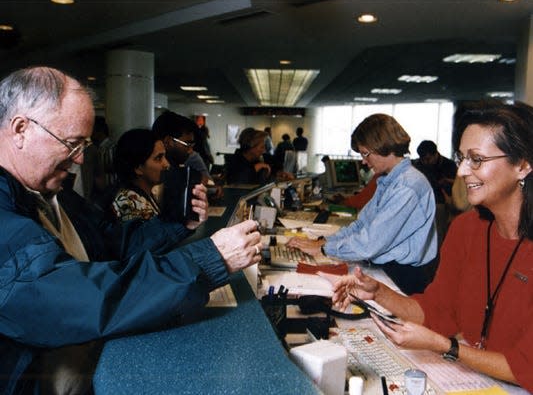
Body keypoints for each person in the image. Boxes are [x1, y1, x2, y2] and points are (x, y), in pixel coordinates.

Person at [0, 66, 262, 394]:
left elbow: (114, 244)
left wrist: (177, 224)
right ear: (21, 129)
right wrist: (209, 259)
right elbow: (79, 297)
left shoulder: (56, 194)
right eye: (71, 144)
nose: (80, 160)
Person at [331, 101, 533, 392]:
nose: (462, 171)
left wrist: (447, 348)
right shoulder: (466, 230)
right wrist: (379, 294)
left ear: (523, 165)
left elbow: (526, 367)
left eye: (476, 159)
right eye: (461, 158)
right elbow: (440, 311)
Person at [288, 114, 438, 295]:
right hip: (388, 269)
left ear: (383, 146)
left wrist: (323, 249)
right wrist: (323, 242)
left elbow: (369, 243)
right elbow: (361, 225)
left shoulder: (408, 186)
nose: (363, 161)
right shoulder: (389, 180)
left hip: (403, 277)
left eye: (366, 154)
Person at [111, 129, 173, 222]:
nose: (167, 164)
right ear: (138, 168)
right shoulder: (129, 202)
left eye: (165, 156)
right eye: (158, 158)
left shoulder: (145, 194)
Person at [413, 140, 457, 204]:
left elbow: (457, 186)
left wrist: (446, 181)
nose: (425, 162)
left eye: (428, 159)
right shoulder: (418, 164)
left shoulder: (449, 165)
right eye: (422, 159)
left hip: (444, 202)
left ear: (436, 154)